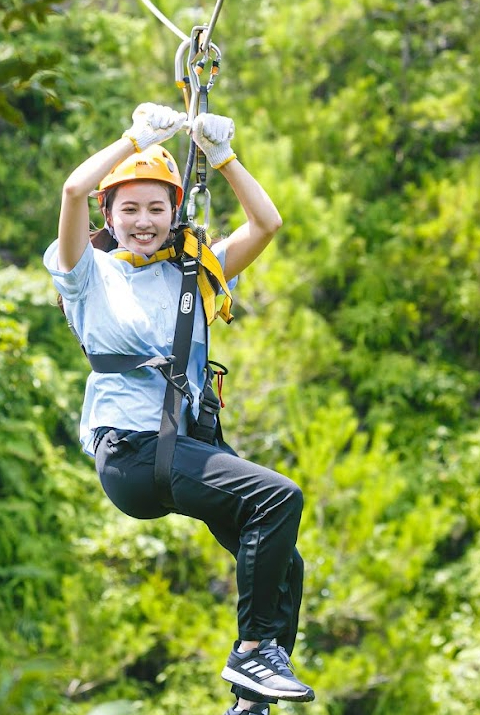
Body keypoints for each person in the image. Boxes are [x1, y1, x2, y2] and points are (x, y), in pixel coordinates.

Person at [43, 102, 315, 715]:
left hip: (185, 444)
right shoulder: (86, 274)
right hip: (133, 454)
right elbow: (73, 188)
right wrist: (131, 140)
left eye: (156, 208)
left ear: (174, 214)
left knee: (285, 561)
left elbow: (266, 225)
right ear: (108, 216)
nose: (143, 221)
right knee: (277, 497)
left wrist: (224, 158)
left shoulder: (193, 272)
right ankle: (250, 653)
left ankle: (253, 699)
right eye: (129, 208)